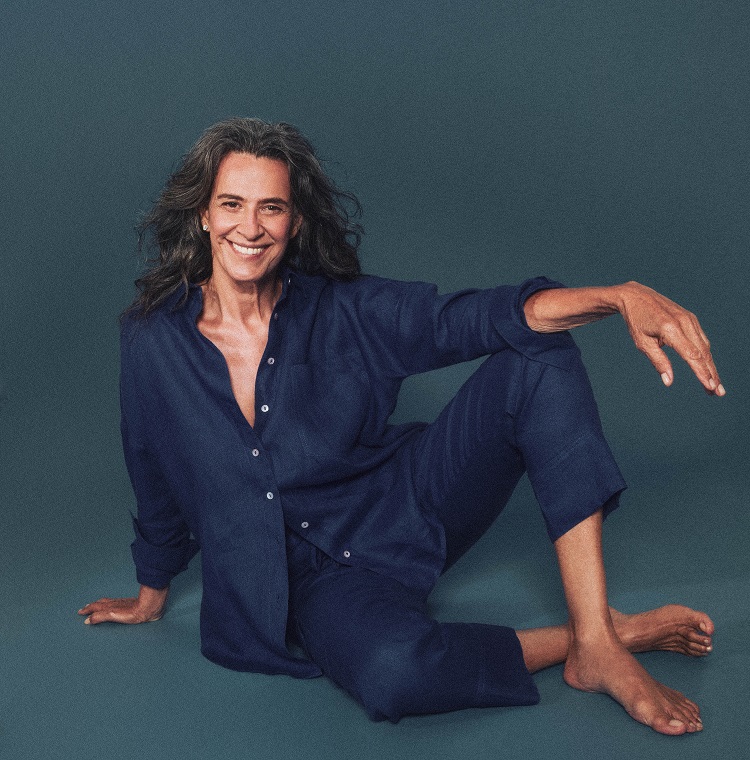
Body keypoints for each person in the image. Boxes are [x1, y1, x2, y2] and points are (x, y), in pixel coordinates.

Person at [79, 117, 723, 735]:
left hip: (404, 506)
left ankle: (599, 640)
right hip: (313, 582)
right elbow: (150, 462)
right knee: (394, 674)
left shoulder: (344, 309)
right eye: (231, 204)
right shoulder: (152, 339)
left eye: (271, 207)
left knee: (538, 357)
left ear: (294, 222)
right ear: (203, 213)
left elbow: (467, 318)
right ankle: (590, 639)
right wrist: (151, 589)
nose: (250, 226)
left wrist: (618, 296)